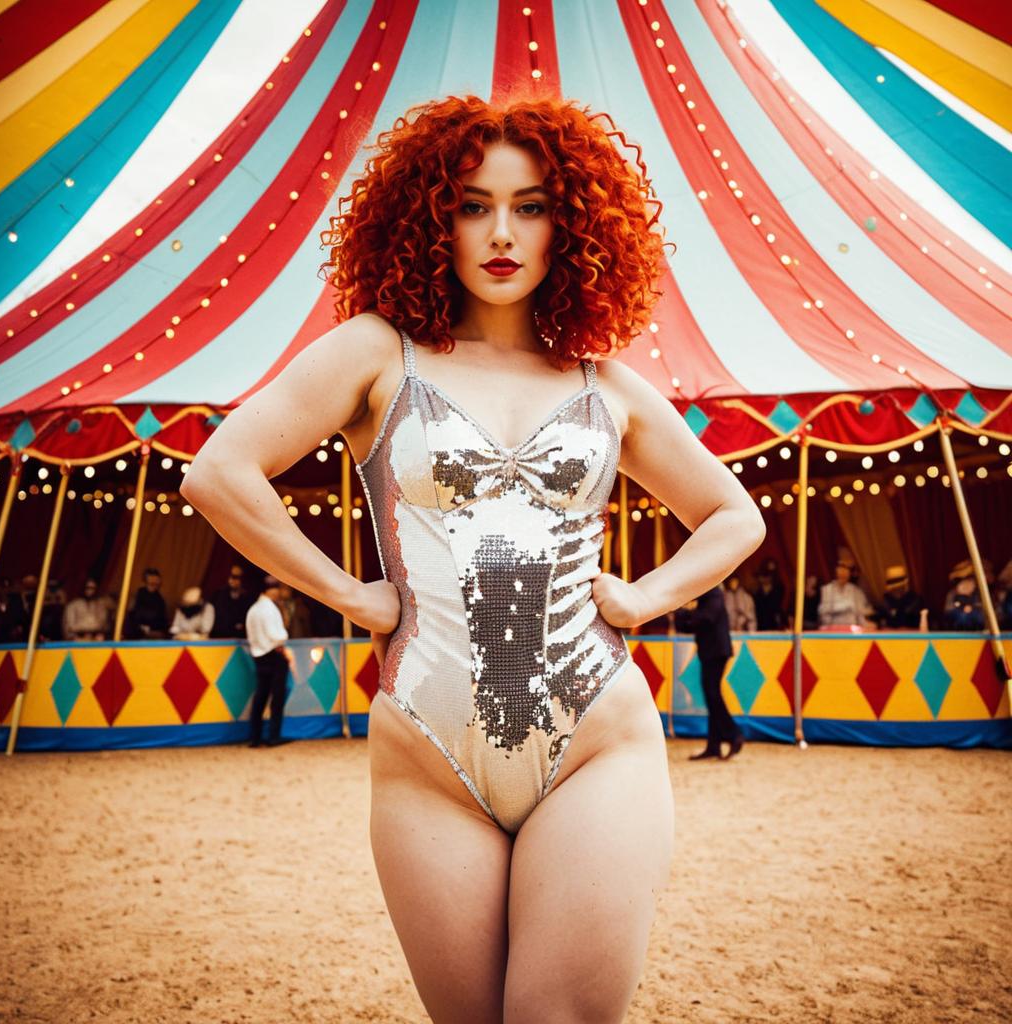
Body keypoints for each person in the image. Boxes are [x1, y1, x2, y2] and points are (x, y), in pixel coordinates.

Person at [181, 94, 766, 1022]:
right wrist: (350, 596)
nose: (501, 232)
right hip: (426, 757)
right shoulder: (378, 353)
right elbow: (218, 473)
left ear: (569, 223)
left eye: (530, 206)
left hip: (596, 746)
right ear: (428, 216)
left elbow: (736, 517)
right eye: (471, 203)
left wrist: (641, 595)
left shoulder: (606, 385)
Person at [674, 584, 743, 761]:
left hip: (716, 652)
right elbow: (694, 623)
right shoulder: (708, 597)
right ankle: (714, 745)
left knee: (713, 695)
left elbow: (705, 619)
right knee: (711, 696)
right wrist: (682, 616)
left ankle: (733, 734)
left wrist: (681, 613)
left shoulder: (713, 594)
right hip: (711, 652)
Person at [244, 576, 294, 747]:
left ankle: (254, 737)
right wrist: (283, 637)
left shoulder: (253, 610)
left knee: (260, 696)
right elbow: (277, 635)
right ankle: (274, 736)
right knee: (277, 697)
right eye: (276, 588)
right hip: (274, 654)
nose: (278, 591)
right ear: (269, 590)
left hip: (258, 655)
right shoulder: (270, 609)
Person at [818, 554, 874, 629]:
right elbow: (823, 615)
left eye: (846, 569)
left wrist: (866, 624)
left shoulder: (856, 591)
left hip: (852, 629)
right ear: (836, 570)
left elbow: (860, 615)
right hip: (832, 630)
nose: (843, 572)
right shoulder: (826, 590)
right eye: (840, 568)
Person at [879, 563, 927, 630]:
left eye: (899, 586)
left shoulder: (915, 599)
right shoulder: (886, 599)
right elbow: (882, 622)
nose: (896, 589)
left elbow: (921, 627)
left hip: (911, 637)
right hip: (890, 637)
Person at [210, 563, 251, 639]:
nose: (232, 580)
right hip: (219, 636)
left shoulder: (247, 597)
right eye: (231, 576)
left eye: (236, 577)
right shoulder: (218, 595)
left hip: (239, 638)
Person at [126, 567, 168, 639]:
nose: (154, 586)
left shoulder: (160, 599)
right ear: (145, 582)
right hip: (136, 629)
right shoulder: (138, 594)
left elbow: (162, 619)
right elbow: (132, 613)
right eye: (151, 583)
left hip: (154, 630)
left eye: (156, 584)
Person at [943, 559, 985, 631]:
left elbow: (982, 609)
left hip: (976, 623)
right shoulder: (952, 595)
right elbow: (948, 611)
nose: (967, 586)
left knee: (978, 617)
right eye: (964, 583)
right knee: (962, 617)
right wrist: (961, 609)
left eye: (970, 583)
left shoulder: (977, 595)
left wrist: (972, 609)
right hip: (957, 621)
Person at [752, 556, 787, 630]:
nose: (768, 577)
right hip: (760, 620)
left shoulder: (778, 587)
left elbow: (777, 605)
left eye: (772, 573)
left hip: (773, 621)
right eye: (766, 573)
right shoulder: (757, 589)